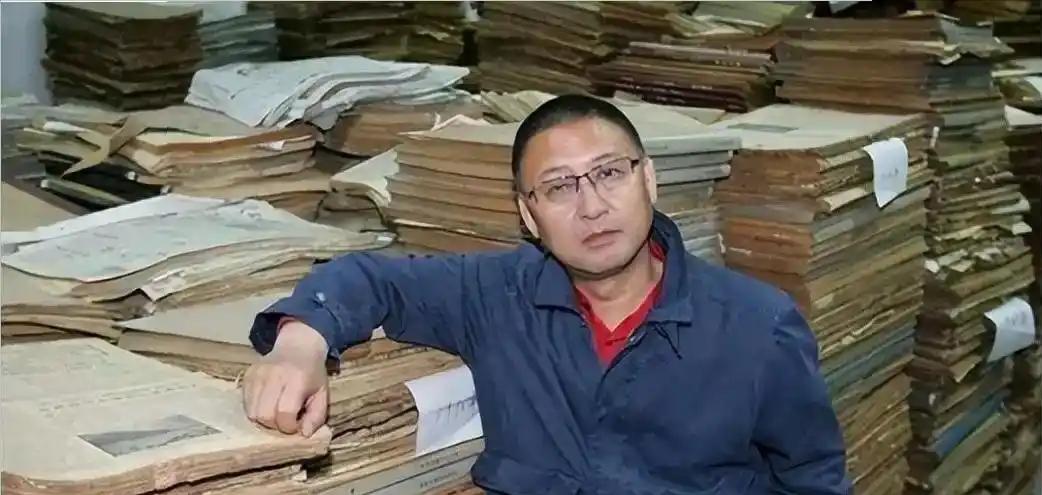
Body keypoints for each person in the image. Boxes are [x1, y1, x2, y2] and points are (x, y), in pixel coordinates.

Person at [243, 95, 852, 494]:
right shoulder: (495, 297)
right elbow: (369, 278)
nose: (592, 207)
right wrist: (300, 344)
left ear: (649, 179)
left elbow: (814, 480)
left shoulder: (757, 327)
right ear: (529, 215)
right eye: (559, 188)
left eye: (609, 173)